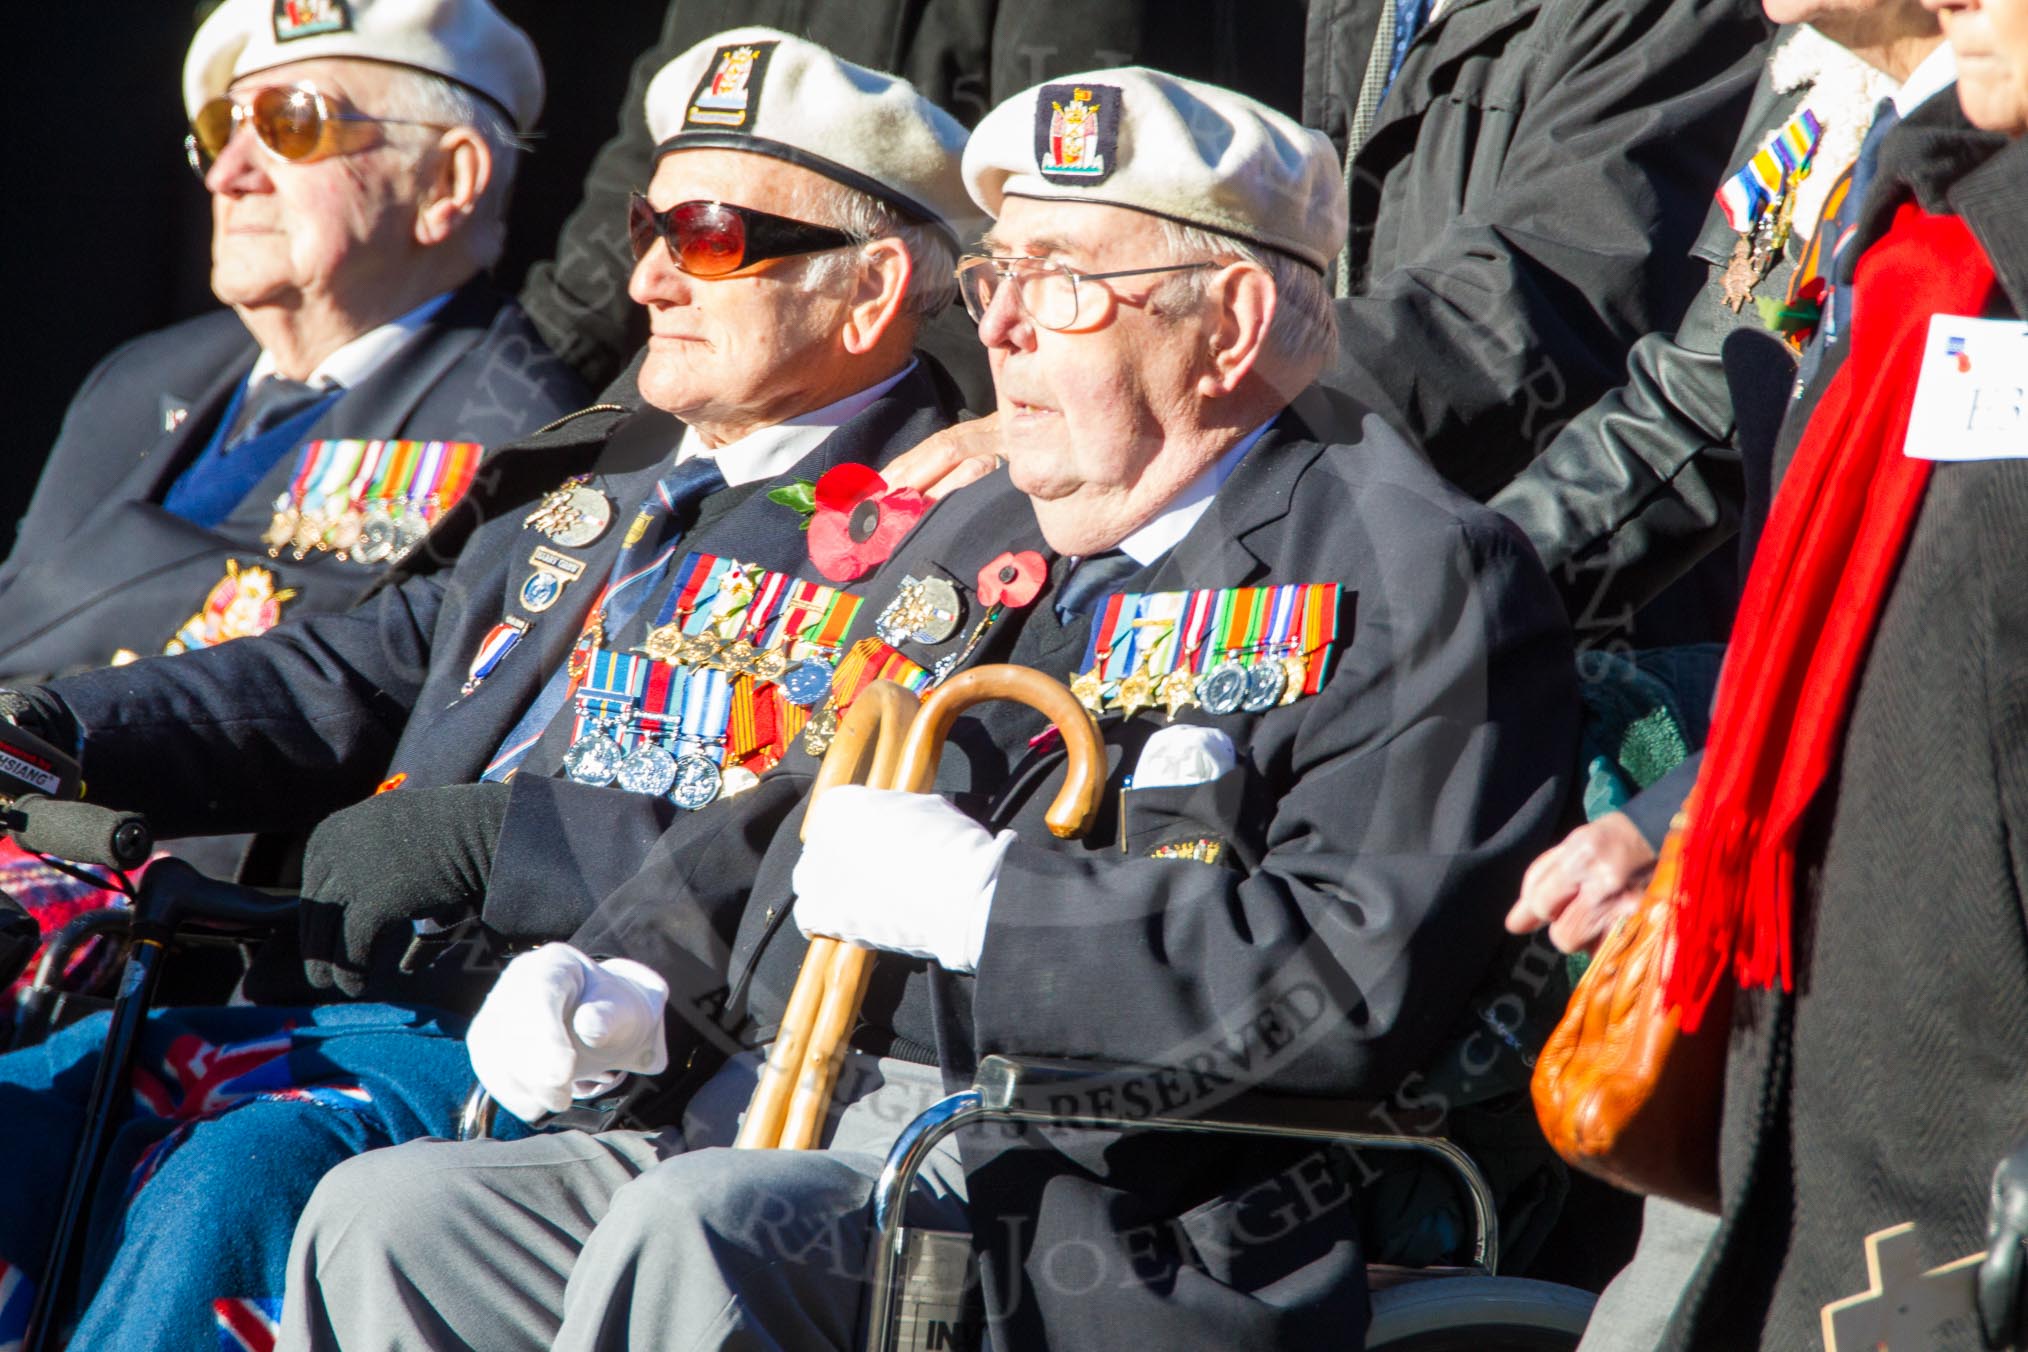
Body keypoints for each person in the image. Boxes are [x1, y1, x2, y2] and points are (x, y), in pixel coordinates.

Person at [280, 67, 1581, 1352]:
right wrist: (632, 974)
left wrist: (990, 907)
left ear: (1233, 323)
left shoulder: (1410, 568)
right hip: (782, 1123)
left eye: (1061, 281)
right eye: (994, 277)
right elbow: (791, 804)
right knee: (390, 1220)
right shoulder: (977, 526)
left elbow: (1347, 978)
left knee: (704, 1233)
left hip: (1089, 1201)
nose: (1002, 325)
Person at [0, 29, 972, 1349]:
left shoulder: (943, 526)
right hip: (353, 999)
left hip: (593, 1046)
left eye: (709, 237)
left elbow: (824, 833)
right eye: (646, 228)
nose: (644, 281)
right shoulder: (601, 464)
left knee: (231, 1186)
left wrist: (500, 840)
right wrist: (59, 728)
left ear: (872, 294)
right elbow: (366, 658)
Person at [0, 0, 583, 684]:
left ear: (444, 182)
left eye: (292, 123)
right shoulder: (141, 376)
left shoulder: (514, 434)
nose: (227, 175)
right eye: (224, 128)